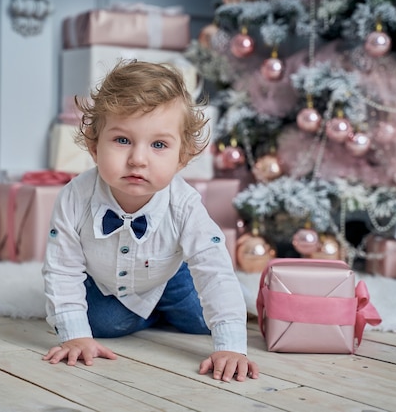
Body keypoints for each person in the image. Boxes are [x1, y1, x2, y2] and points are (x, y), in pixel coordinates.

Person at [41, 60, 258, 382]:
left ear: (182, 157)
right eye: (122, 140)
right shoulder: (76, 197)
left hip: (172, 276)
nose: (138, 159)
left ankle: (167, 307)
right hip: (106, 283)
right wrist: (74, 333)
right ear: (93, 146)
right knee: (103, 326)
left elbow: (213, 271)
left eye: (159, 145)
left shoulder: (184, 205)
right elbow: (62, 267)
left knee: (205, 320)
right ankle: (146, 315)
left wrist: (231, 346)